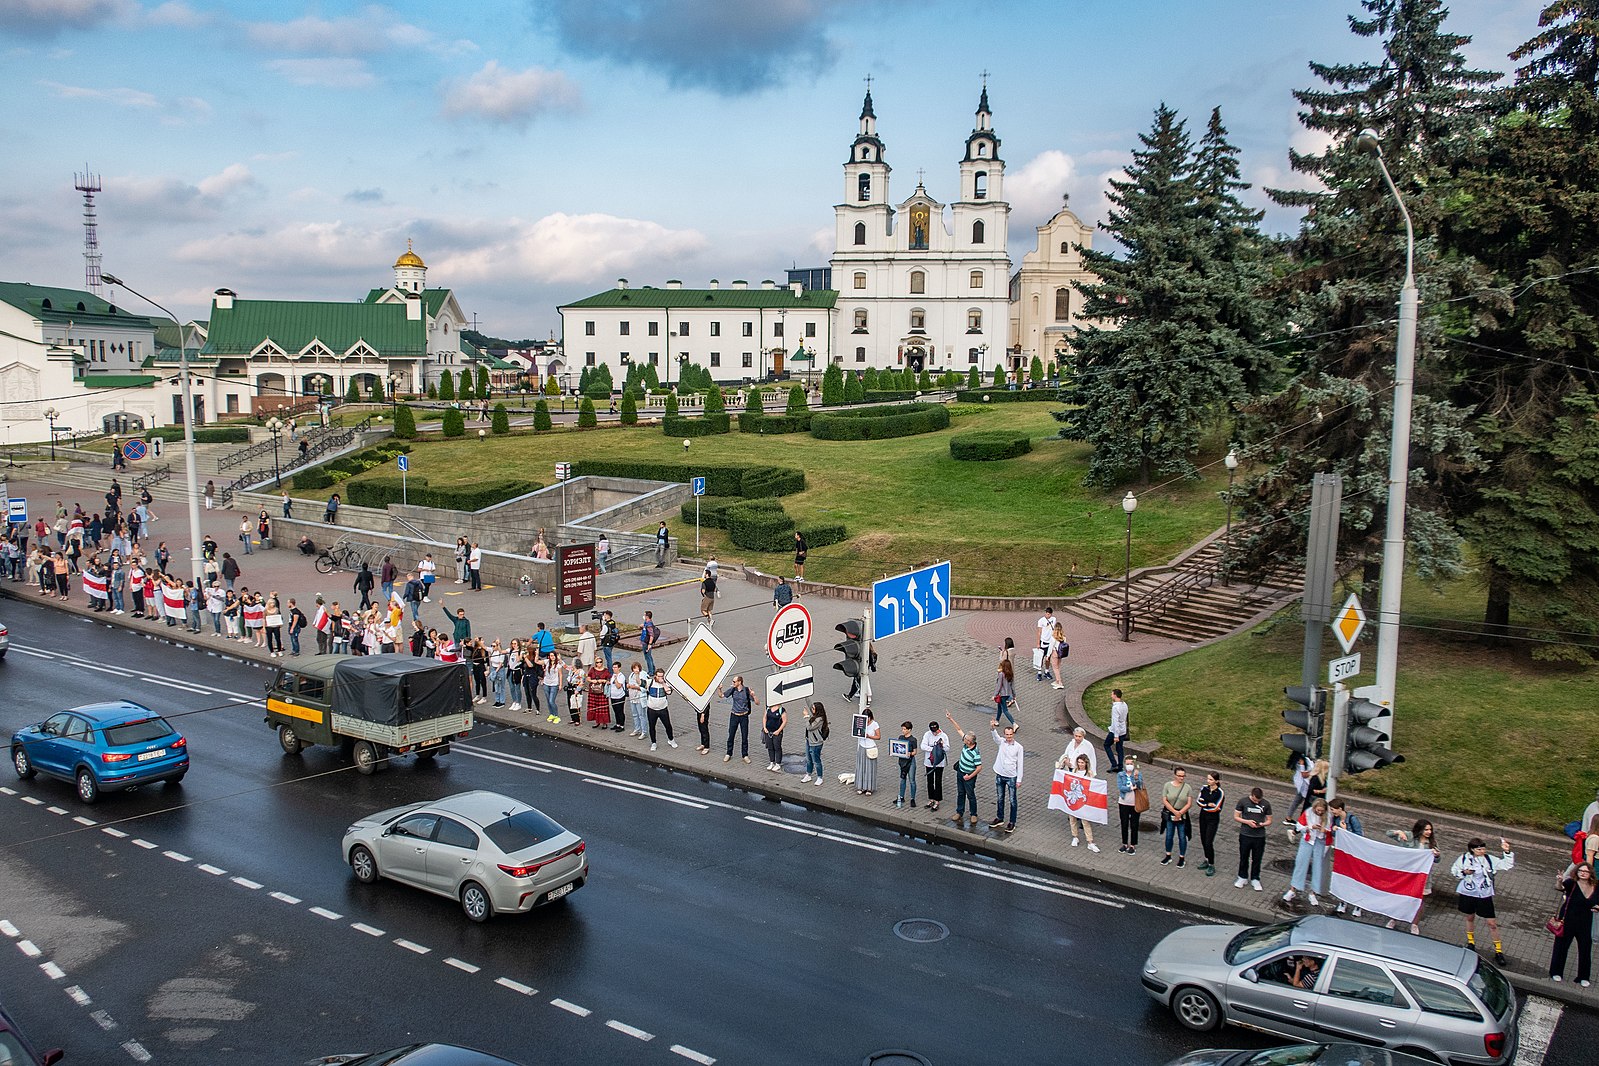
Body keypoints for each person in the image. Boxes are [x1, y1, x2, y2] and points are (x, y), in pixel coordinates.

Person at [1450, 836, 1516, 964]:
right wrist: (1464, 872)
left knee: (1492, 923)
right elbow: (1454, 871)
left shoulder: (1489, 859)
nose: (1482, 851)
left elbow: (1506, 865)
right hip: (1468, 893)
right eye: (1479, 849)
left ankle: (1498, 951)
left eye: (1483, 849)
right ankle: (1471, 942)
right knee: (1470, 917)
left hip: (1484, 894)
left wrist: (1507, 852)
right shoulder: (1464, 858)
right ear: (1472, 850)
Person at [1385, 819, 1441, 934]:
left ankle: (1414, 924)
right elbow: (1388, 833)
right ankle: (1394, 919)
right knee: (1401, 898)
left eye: (1430, 830)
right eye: (1426, 829)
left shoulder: (1432, 843)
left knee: (1420, 901)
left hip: (1423, 878)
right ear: (1419, 829)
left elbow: (1438, 860)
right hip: (1407, 875)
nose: (1429, 832)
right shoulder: (1409, 836)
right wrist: (1398, 832)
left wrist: (1437, 855)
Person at [1549, 862, 1596, 986]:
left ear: (1590, 873)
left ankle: (1583, 977)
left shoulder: (1596, 886)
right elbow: (1560, 888)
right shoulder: (1572, 883)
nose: (1583, 873)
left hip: (1585, 922)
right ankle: (1556, 972)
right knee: (1561, 947)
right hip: (1567, 920)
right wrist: (1559, 880)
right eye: (1580, 871)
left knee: (1585, 948)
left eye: (1586, 871)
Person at [1283, 798, 1331, 907]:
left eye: (1321, 811)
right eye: (1317, 810)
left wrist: (1324, 830)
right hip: (1307, 840)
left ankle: (1313, 892)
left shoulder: (1328, 816)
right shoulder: (1308, 813)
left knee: (1318, 867)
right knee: (1300, 864)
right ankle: (1293, 889)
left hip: (1320, 841)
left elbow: (1330, 830)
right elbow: (1299, 826)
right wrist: (1310, 827)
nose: (1319, 812)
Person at [1328, 798, 1366, 916]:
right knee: (1344, 878)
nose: (1332, 812)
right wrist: (1334, 830)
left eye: (1333, 810)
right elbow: (1334, 833)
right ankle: (1343, 902)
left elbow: (1359, 835)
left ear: (1340, 809)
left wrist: (1345, 831)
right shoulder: (1336, 819)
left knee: (1356, 878)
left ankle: (1358, 905)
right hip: (1343, 853)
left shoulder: (1352, 819)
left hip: (1355, 854)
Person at [988, 720, 1023, 832]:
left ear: (1013, 734)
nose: (1008, 737)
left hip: (1011, 776)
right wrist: (992, 728)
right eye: (1007, 734)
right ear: (1004, 735)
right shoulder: (1001, 742)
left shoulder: (1018, 747)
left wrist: (1019, 779)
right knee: (1000, 797)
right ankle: (1000, 817)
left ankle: (1012, 821)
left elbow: (1020, 764)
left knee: (1012, 800)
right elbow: (995, 737)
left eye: (1010, 734)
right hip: (1000, 774)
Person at [1234, 786, 1272, 890]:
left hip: (1259, 836)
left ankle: (1255, 878)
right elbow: (1236, 816)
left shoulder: (1266, 804)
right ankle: (1242, 876)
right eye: (1255, 800)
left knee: (1257, 858)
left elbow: (1269, 820)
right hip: (1245, 834)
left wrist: (1262, 824)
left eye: (1258, 800)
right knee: (1244, 857)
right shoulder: (1243, 801)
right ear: (1251, 795)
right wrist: (1247, 822)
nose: (1256, 802)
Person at [1064, 753, 1101, 852]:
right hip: (1074, 799)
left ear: (1086, 763)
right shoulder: (1074, 771)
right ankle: (1075, 836)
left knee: (1085, 821)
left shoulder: (1089, 773)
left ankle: (1090, 842)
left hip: (1084, 801)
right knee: (1072, 819)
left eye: (1082, 762)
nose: (1080, 764)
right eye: (1079, 762)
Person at [1161, 766, 1194, 867]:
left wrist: (1180, 813)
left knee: (1182, 837)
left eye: (1183, 776)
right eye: (1179, 776)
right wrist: (1174, 812)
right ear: (1175, 775)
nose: (1181, 778)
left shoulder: (1187, 787)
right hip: (1170, 813)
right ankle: (1168, 855)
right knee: (1169, 836)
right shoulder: (1167, 785)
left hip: (1182, 815)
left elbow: (1189, 803)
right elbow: (1164, 800)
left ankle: (1182, 857)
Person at [1196, 772, 1225, 876]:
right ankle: (1206, 859)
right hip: (1203, 816)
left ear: (1216, 781)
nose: (1208, 781)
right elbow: (1198, 801)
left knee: (1209, 841)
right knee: (1203, 839)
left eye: (1211, 780)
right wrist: (1207, 804)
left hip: (1213, 819)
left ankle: (1211, 864)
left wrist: (1205, 804)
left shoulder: (1220, 792)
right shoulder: (1204, 788)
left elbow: (1216, 808)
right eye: (1208, 779)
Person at [721, 675, 756, 762]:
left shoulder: (747, 691)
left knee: (744, 736)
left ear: (739, 682)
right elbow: (722, 696)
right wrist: (719, 689)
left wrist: (754, 695)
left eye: (734, 682)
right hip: (734, 715)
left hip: (744, 716)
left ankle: (745, 755)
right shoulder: (733, 689)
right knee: (731, 735)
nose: (732, 683)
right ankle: (728, 753)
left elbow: (757, 702)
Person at [1116, 756, 1144, 854]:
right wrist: (1131, 788)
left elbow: (1140, 786)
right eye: (1127, 764)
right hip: (1123, 802)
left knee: (1134, 824)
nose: (1129, 766)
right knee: (1124, 823)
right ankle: (1124, 843)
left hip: (1135, 803)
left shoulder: (1138, 774)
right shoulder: (1120, 774)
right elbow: (1120, 787)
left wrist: (1136, 778)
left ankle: (1133, 845)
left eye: (1131, 764)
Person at [644, 669, 677, 750]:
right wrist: (637, 674)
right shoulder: (650, 682)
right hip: (652, 710)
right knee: (652, 727)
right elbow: (640, 683)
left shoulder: (666, 683)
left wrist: (663, 683)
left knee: (668, 726)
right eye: (659, 676)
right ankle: (653, 743)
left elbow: (669, 692)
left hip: (663, 709)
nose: (660, 678)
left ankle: (671, 739)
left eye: (662, 676)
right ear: (655, 676)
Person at [921, 720, 949, 812]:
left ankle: (937, 800)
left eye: (935, 730)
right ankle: (931, 799)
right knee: (930, 781)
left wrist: (941, 747)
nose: (934, 732)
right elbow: (923, 746)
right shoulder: (927, 734)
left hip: (939, 763)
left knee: (938, 781)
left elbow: (948, 748)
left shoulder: (943, 736)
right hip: (929, 762)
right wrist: (934, 749)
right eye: (933, 731)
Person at [801, 704, 829, 786]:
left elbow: (809, 727)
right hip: (809, 741)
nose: (811, 709)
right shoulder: (815, 717)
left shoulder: (820, 719)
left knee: (816, 761)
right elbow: (809, 703)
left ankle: (820, 777)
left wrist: (806, 716)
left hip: (816, 743)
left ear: (817, 710)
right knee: (809, 759)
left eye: (813, 708)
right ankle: (808, 774)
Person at [892, 721, 918, 808]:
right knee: (902, 779)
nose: (903, 731)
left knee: (912, 780)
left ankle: (912, 798)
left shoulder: (913, 740)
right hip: (902, 762)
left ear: (909, 730)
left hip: (910, 762)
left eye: (904, 729)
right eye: (902, 729)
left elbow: (915, 752)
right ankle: (901, 797)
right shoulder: (901, 737)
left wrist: (909, 753)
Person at [854, 707, 880, 796]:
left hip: (870, 747)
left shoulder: (875, 724)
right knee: (861, 767)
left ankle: (869, 788)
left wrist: (869, 736)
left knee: (869, 768)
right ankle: (860, 786)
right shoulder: (861, 723)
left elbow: (878, 736)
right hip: (862, 747)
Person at [1284, 752, 1313, 825]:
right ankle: (1299, 820)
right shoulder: (1302, 760)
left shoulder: (1300, 759)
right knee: (1304, 803)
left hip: (1302, 785)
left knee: (1296, 802)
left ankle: (1289, 817)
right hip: (1304, 785)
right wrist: (1314, 772)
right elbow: (1304, 774)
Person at [1105, 689, 1129, 772]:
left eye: (1112, 694)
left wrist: (1116, 735)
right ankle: (1120, 766)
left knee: (1106, 745)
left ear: (1115, 695)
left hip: (1116, 731)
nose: (1111, 696)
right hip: (1123, 730)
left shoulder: (1115, 708)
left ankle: (1114, 764)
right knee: (1120, 749)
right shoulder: (1124, 704)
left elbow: (1115, 722)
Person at [762, 701, 788, 772]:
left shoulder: (781, 710)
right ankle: (771, 762)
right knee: (770, 747)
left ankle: (778, 763)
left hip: (777, 733)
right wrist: (764, 727)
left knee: (777, 747)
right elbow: (764, 718)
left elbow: (784, 721)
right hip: (768, 731)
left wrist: (778, 731)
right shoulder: (768, 708)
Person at [992, 658, 1016, 726]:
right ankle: (997, 720)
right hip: (1008, 694)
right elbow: (1012, 686)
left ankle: (1014, 723)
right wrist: (1014, 695)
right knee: (999, 707)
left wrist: (995, 695)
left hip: (1002, 694)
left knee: (1005, 710)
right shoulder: (1011, 674)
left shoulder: (1001, 674)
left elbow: (999, 685)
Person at [1034, 606, 1055, 680]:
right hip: (1043, 641)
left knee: (1048, 657)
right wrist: (1038, 643)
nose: (1047, 615)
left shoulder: (1053, 619)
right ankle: (1039, 672)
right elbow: (1039, 632)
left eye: (1049, 614)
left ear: (1051, 614)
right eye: (1046, 613)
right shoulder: (1041, 621)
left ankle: (1047, 671)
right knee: (1041, 657)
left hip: (1050, 642)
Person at [638, 610, 659, 677]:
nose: (643, 616)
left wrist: (649, 644)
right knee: (649, 656)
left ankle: (651, 672)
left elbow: (651, 635)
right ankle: (652, 669)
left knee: (648, 657)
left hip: (646, 643)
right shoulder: (646, 623)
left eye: (644, 615)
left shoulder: (649, 625)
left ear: (647, 616)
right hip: (645, 642)